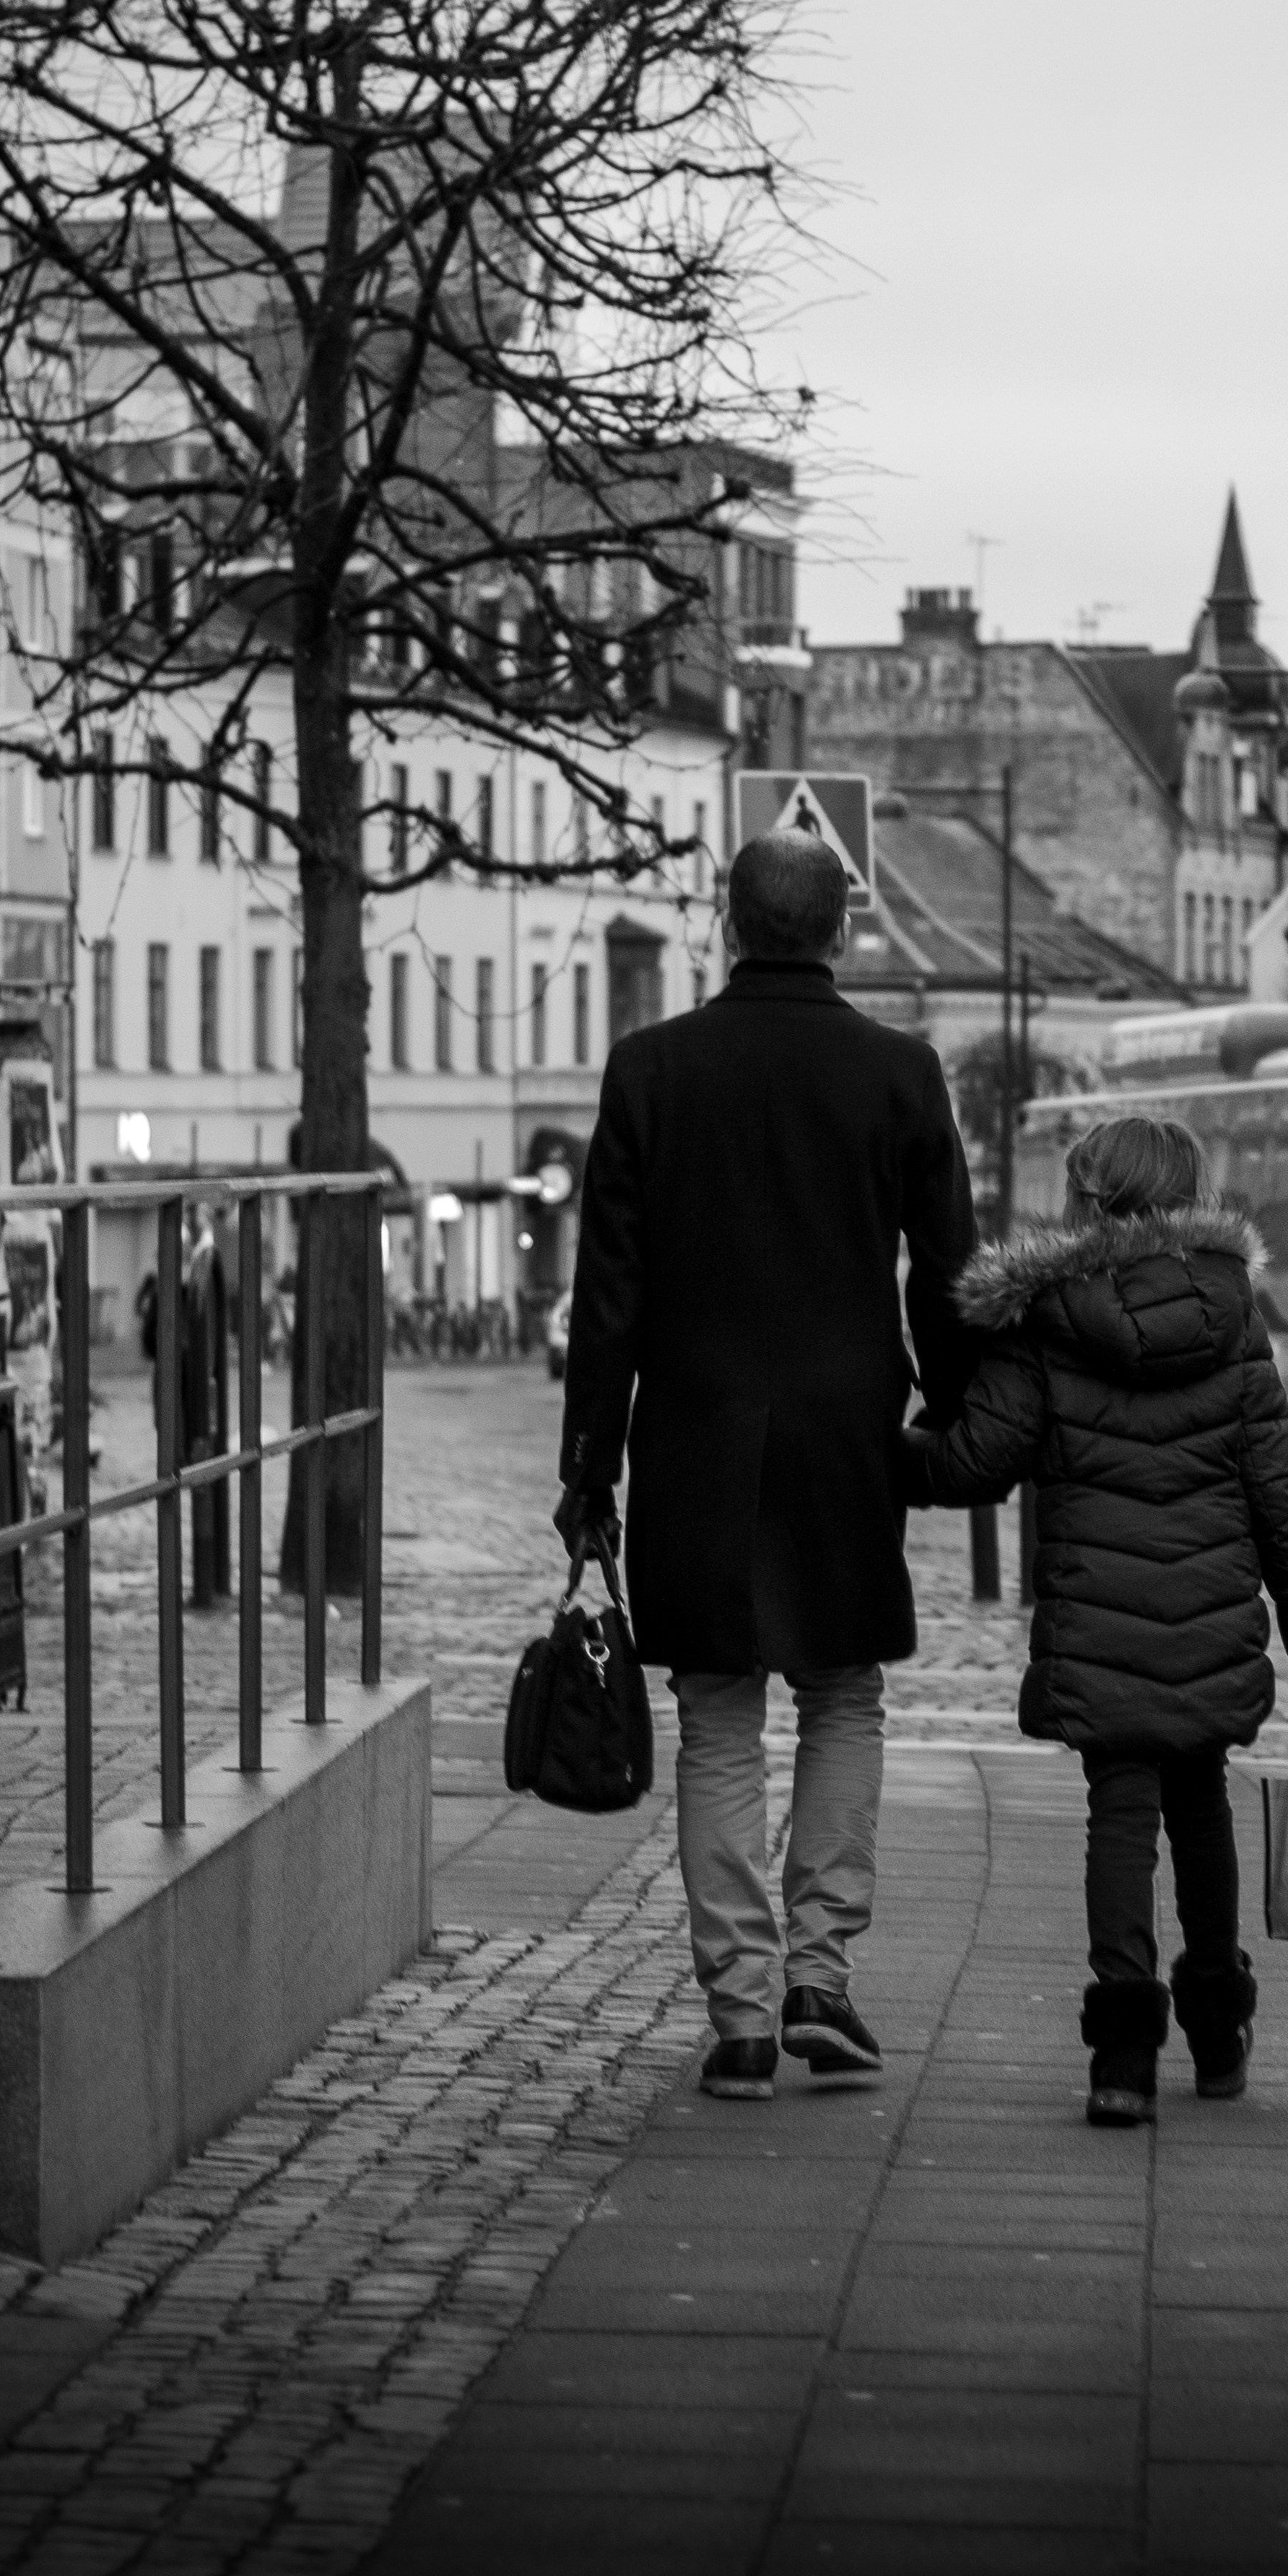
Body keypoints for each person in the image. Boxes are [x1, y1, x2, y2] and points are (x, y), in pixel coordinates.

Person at [557, 829, 978, 2100]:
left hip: (693, 1434)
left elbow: (608, 1296)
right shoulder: (900, 1072)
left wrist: (591, 1474)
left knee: (721, 1713)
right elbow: (946, 1274)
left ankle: (740, 2012)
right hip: (847, 1438)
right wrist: (955, 1418)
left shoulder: (651, 1070)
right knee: (844, 1693)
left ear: (725, 927)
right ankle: (820, 1976)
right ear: (841, 927)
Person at [900, 1113, 1288, 2128]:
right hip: (1207, 1616)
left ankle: (1121, 2059)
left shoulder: (1046, 1314)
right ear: (1187, 1196)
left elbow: (978, 1459)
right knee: (1201, 1807)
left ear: (1089, 1200)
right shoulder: (1232, 1309)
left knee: (1120, 1820)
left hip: (1099, 1621)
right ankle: (1219, 2033)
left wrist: (887, 1455)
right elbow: (1277, 1488)